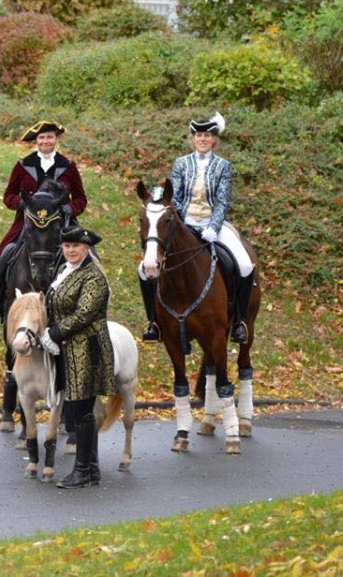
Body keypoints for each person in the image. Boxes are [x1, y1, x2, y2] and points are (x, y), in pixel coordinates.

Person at [138, 112, 255, 343]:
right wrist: (184, 221)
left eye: (207, 136)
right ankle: (154, 322)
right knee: (143, 269)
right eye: (198, 135)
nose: (202, 139)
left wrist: (213, 226)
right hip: (184, 223)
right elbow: (175, 197)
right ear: (193, 139)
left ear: (213, 140)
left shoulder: (223, 166)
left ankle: (239, 321)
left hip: (214, 224)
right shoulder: (181, 163)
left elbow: (222, 201)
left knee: (244, 264)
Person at [0, 120, 87, 330]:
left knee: (91, 256)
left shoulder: (68, 166)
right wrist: (21, 203)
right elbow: (8, 196)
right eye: (42, 138)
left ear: (56, 140)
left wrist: (70, 209)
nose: (46, 141)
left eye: (50, 137)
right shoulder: (23, 165)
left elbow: (81, 199)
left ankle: (89, 307)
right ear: (36, 141)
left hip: (60, 223)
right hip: (28, 223)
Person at [39, 224, 116, 489]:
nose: (71, 250)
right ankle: (91, 469)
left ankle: (82, 471)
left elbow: (85, 313)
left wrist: (55, 332)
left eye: (76, 246)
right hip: (67, 349)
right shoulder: (64, 271)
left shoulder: (93, 276)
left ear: (86, 248)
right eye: (67, 246)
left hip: (88, 348)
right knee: (77, 409)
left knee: (82, 409)